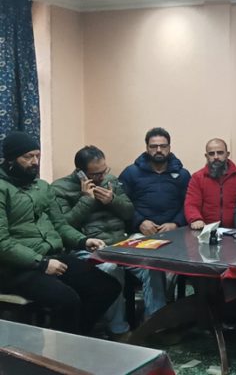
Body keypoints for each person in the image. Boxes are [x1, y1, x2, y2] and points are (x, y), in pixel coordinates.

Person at [0, 131, 120, 334]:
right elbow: (3, 243)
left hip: (52, 256)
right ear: (10, 159)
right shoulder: (3, 189)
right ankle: (58, 357)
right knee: (67, 300)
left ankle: (76, 338)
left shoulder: (42, 187)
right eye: (28, 157)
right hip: (15, 268)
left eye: (37, 156)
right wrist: (41, 263)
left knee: (107, 287)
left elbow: (60, 225)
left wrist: (83, 241)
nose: (34, 162)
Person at [52, 145, 166, 338]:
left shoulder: (111, 180)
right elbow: (63, 226)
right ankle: (118, 329)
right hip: (90, 246)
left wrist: (113, 200)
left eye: (104, 171)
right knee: (111, 270)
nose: (101, 177)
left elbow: (129, 212)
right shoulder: (60, 189)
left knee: (153, 261)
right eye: (95, 174)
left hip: (121, 241)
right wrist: (86, 200)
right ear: (81, 173)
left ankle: (155, 324)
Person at [119, 127, 191, 235]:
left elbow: (189, 203)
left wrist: (176, 224)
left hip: (175, 233)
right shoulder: (131, 172)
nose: (158, 150)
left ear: (169, 147)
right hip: (139, 233)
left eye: (163, 146)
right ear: (147, 148)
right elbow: (121, 204)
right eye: (153, 146)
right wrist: (139, 222)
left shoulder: (183, 175)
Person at [185, 138, 236, 229]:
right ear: (206, 156)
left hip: (235, 230)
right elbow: (191, 204)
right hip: (205, 231)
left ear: (227, 154)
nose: (216, 157)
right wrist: (195, 219)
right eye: (211, 154)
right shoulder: (197, 178)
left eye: (220, 153)